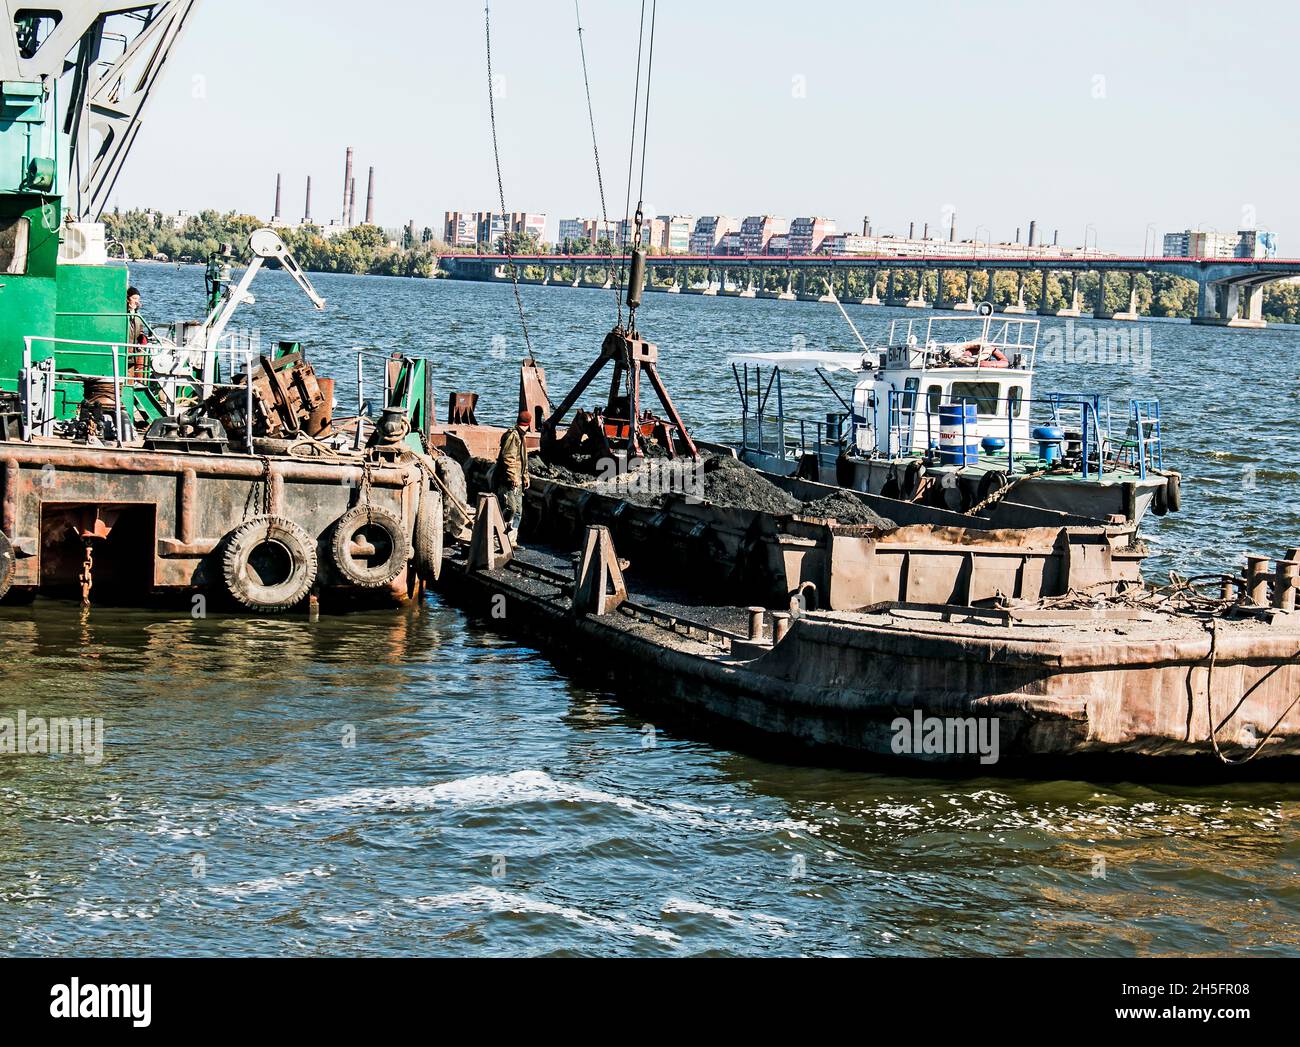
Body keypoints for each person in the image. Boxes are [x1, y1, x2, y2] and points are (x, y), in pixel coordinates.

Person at [495, 410, 532, 540]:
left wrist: (525, 476)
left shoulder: (522, 436)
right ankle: (499, 536)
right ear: (528, 424)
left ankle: (511, 539)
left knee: (518, 511)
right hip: (510, 480)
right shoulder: (513, 436)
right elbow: (508, 458)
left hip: (518, 479)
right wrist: (513, 477)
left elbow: (523, 460)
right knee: (510, 508)